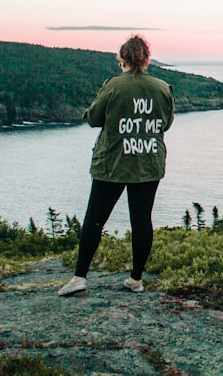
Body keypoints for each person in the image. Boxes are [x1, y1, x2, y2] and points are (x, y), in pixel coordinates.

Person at [58, 34, 174, 296]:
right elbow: (165, 123)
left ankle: (80, 277)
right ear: (146, 60)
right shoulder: (162, 87)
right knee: (142, 221)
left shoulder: (113, 85)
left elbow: (94, 118)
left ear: (122, 59)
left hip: (112, 162)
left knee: (95, 220)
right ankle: (136, 279)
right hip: (147, 161)